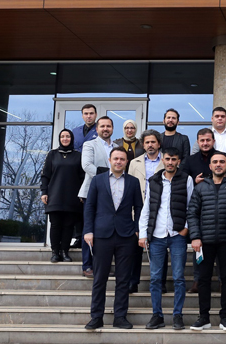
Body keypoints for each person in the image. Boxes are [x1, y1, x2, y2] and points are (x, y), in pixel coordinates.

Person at [83, 147, 143, 330]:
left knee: (123, 279)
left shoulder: (133, 182)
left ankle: (120, 317)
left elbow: (139, 207)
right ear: (109, 160)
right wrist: (88, 231)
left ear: (126, 162)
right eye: (115, 158)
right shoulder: (98, 180)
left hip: (126, 236)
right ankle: (96, 317)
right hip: (102, 234)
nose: (118, 162)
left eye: (122, 159)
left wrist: (138, 229)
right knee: (99, 278)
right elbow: (89, 207)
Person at [138, 147, 194, 330]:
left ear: (178, 161)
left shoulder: (186, 179)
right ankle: (157, 315)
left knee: (178, 277)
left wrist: (186, 228)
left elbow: (191, 206)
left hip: (177, 234)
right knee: (155, 278)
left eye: (174, 159)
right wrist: (143, 233)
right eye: (168, 159)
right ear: (163, 159)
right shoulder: (153, 180)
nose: (170, 162)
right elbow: (147, 208)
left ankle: (177, 315)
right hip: (156, 235)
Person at [188, 152, 226, 331]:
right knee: (203, 279)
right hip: (203, 243)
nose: (218, 165)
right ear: (210, 166)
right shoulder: (201, 188)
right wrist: (195, 236)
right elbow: (192, 213)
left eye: (222, 162)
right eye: (215, 162)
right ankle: (204, 317)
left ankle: (225, 317)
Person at [77, 116, 117, 277]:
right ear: (97, 129)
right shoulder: (89, 144)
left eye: (108, 126)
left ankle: (103, 265)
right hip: (92, 192)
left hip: (112, 194)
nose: (105, 129)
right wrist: (107, 179)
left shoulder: (117, 146)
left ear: (112, 128)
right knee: (89, 228)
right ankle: (87, 265)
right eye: (102, 126)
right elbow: (86, 165)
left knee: (107, 229)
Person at [128, 129, 165, 294]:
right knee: (135, 248)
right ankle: (132, 282)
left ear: (158, 144)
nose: (150, 145)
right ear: (143, 145)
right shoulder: (134, 163)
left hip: (160, 209)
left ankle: (161, 282)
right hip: (138, 208)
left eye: (153, 142)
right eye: (147, 142)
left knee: (159, 247)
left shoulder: (167, 161)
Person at [41, 129, 85, 263]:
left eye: (67, 136)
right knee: (55, 225)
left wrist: (82, 194)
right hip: (54, 196)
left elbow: (83, 177)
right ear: (59, 139)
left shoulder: (78, 155)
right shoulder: (52, 154)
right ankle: (55, 252)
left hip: (72, 197)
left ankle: (65, 252)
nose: (65, 139)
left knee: (68, 226)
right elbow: (45, 175)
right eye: (62, 136)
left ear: (71, 138)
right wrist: (44, 192)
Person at [194, 107, 226, 182]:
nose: (220, 118)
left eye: (222, 116)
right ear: (212, 119)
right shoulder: (204, 135)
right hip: (207, 179)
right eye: (217, 116)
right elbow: (195, 154)